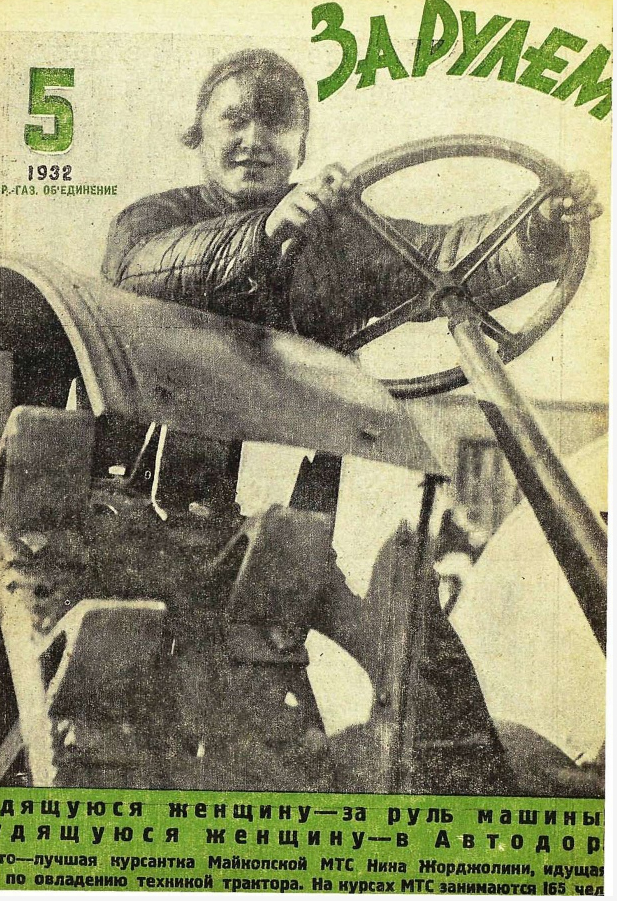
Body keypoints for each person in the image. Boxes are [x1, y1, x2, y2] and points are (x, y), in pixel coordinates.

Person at [100, 48, 602, 791]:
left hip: (294, 531)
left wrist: (537, 230)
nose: (253, 140)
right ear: (198, 134)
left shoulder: (335, 235)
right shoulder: (154, 222)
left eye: (276, 123)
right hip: (156, 523)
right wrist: (264, 232)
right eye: (234, 120)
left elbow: (444, 256)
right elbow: (144, 268)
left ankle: (462, 786)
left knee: (417, 655)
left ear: (301, 142)